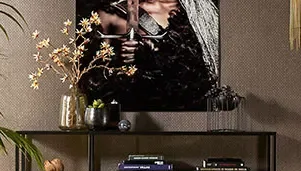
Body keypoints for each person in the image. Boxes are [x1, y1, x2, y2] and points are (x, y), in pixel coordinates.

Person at [80, 0, 219, 111]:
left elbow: (202, 61)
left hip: (191, 103)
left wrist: (151, 53)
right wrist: (122, 61)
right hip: (143, 106)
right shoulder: (113, 13)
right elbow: (95, 74)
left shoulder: (198, 12)